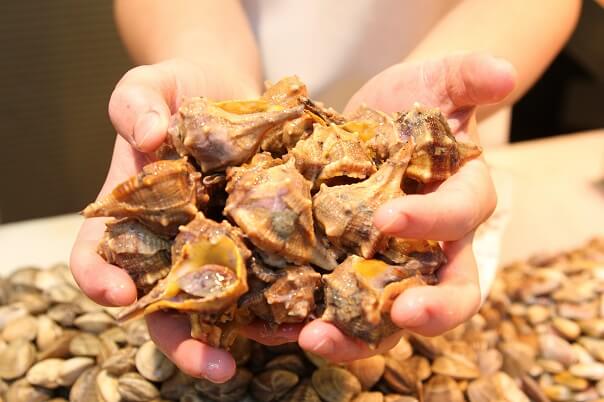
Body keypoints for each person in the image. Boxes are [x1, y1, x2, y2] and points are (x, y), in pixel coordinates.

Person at [70, 0, 581, 383]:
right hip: (248, 79)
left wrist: (449, 87)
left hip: (423, 180)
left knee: (414, 243)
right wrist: (202, 61)